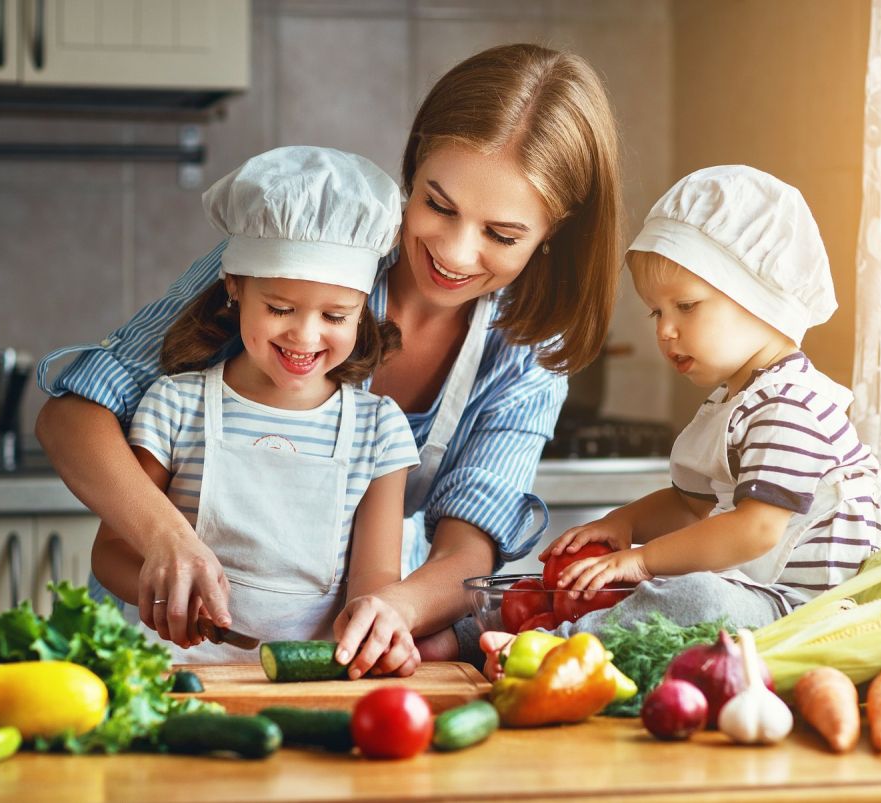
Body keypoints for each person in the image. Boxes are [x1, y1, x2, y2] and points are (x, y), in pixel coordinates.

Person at [34, 44, 622, 677]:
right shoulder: (302, 248)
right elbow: (72, 417)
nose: (453, 251)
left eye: (501, 235)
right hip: (156, 645)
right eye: (438, 206)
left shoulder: (527, 354)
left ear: (553, 230)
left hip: (318, 658)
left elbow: (465, 551)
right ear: (414, 162)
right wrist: (166, 541)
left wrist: (391, 610)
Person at [521, 165, 881, 649]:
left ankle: (559, 645)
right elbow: (690, 507)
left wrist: (644, 560)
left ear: (759, 300)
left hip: (805, 611)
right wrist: (624, 523)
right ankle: (504, 634)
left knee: (694, 595)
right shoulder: (734, 403)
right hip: (758, 595)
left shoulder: (791, 406)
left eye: (686, 306)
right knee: (673, 590)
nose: (664, 331)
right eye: (657, 311)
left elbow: (756, 530)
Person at [91, 146, 421, 664]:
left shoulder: (378, 430)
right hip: (179, 671)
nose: (305, 335)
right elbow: (111, 552)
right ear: (235, 287)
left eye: (336, 316)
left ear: (362, 311)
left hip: (310, 679)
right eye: (280, 308)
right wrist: (164, 594)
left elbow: (375, 577)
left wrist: (375, 624)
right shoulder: (177, 406)